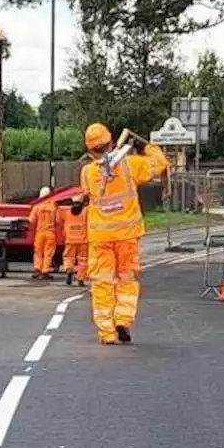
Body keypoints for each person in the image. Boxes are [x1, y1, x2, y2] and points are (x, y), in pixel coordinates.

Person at [71, 122, 170, 345]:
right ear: (112, 142)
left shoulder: (87, 172)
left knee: (102, 284)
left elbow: (90, 194)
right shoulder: (129, 165)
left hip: (100, 238)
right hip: (127, 235)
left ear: (89, 150)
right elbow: (160, 164)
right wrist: (149, 148)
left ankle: (106, 332)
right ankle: (123, 319)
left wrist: (81, 202)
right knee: (127, 279)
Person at [28, 186, 58, 280]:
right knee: (48, 252)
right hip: (50, 232)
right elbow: (57, 220)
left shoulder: (37, 206)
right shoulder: (53, 206)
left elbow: (31, 220)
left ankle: (37, 269)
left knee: (38, 252)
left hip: (40, 232)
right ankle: (45, 271)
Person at [60, 203, 88, 287]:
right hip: (83, 240)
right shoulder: (86, 212)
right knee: (83, 260)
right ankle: (81, 278)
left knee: (68, 257)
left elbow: (59, 219)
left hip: (70, 239)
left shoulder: (66, 213)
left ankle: (69, 269)